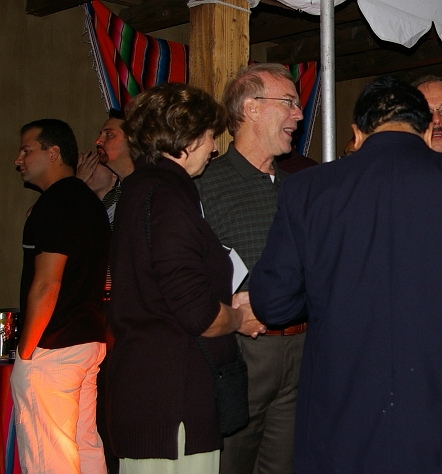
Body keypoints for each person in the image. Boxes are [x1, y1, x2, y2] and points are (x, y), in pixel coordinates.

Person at [249, 75, 442, 473]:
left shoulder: (307, 189)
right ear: (426, 130)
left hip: (341, 421)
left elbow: (274, 303)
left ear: (357, 133)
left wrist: (326, 292)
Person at [107, 82, 265, 474]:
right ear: (186, 139)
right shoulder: (167, 197)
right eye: (210, 136)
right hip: (171, 400)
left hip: (149, 390)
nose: (213, 148)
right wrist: (238, 317)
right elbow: (199, 315)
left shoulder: (141, 189)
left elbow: (166, 289)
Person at [195, 62, 306, 474]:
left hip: (302, 349)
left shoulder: (300, 187)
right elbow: (184, 275)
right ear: (252, 108)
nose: (298, 114)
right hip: (240, 352)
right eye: (289, 102)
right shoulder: (204, 184)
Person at [11, 118, 111, 473]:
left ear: (53, 153)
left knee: (48, 458)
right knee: (84, 447)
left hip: (53, 346)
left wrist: (26, 353)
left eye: (26, 150)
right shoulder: (87, 200)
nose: (18, 160)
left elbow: (47, 284)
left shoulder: (56, 202)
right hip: (87, 340)